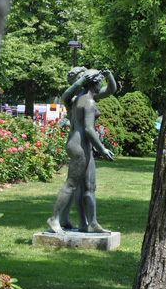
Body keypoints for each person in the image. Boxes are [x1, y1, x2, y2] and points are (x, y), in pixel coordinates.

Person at [47, 69, 116, 234]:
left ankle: (92, 223)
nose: (102, 84)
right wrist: (102, 149)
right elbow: (89, 129)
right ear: (94, 82)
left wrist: (109, 76)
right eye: (100, 81)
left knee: (90, 186)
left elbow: (110, 90)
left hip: (84, 146)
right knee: (71, 184)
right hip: (79, 146)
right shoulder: (84, 100)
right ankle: (54, 218)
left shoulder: (83, 98)